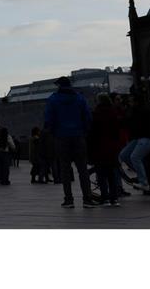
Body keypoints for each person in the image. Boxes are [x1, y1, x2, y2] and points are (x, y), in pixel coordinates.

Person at [44, 76, 94, 208]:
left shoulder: (53, 99)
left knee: (65, 170)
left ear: (59, 86)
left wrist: (54, 132)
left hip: (61, 137)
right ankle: (87, 199)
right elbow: (88, 117)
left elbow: (49, 119)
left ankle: (69, 200)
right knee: (83, 170)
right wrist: (84, 131)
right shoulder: (80, 98)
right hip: (78, 136)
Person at [87, 94, 124, 207]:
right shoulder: (113, 112)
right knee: (111, 174)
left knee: (101, 174)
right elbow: (117, 131)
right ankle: (115, 198)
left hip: (99, 147)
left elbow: (91, 133)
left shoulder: (96, 113)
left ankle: (105, 198)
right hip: (112, 148)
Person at [119, 93, 150, 195]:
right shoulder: (135, 111)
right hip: (140, 138)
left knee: (135, 157)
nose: (129, 103)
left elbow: (131, 123)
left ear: (136, 102)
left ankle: (144, 182)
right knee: (123, 155)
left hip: (148, 138)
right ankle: (142, 173)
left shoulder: (141, 111)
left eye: (131, 101)